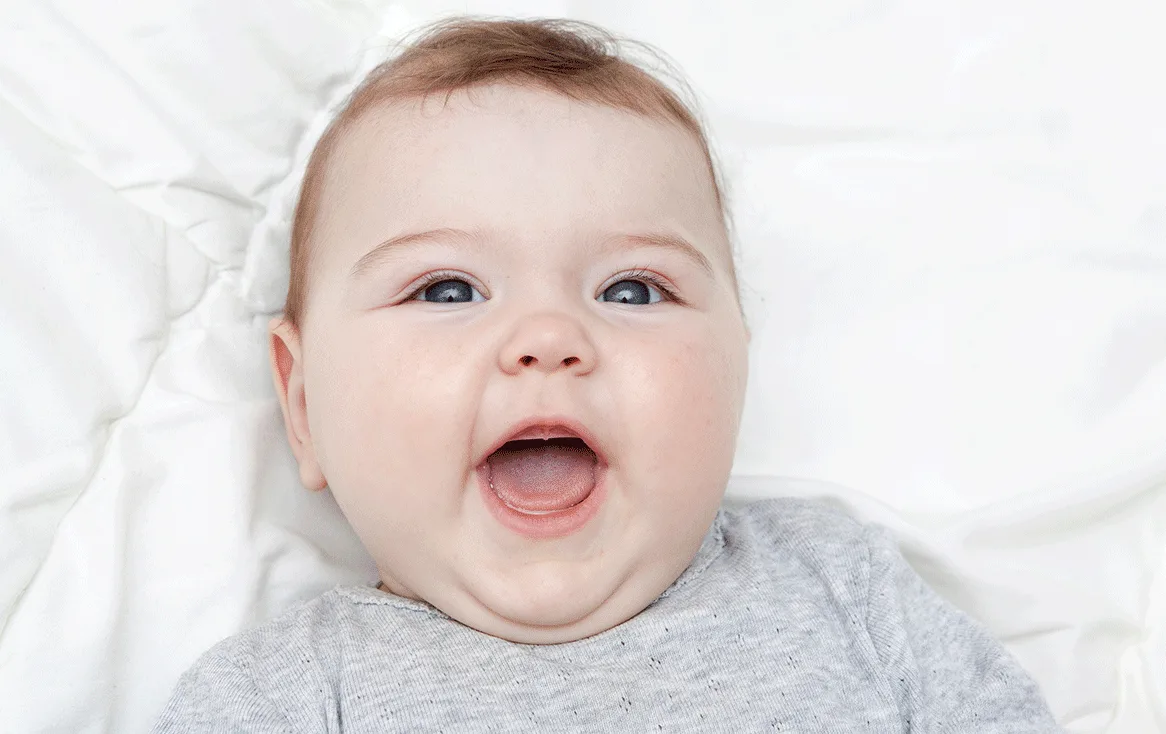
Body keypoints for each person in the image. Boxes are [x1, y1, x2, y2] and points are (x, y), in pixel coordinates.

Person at [154, 16, 1061, 732]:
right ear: (305, 405)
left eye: (632, 289)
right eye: (447, 288)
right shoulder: (282, 696)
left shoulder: (840, 587)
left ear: (740, 361)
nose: (548, 336)